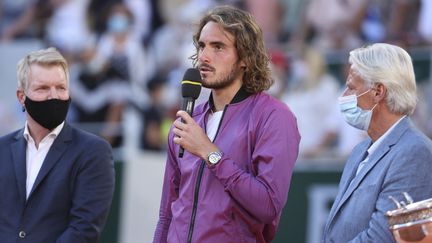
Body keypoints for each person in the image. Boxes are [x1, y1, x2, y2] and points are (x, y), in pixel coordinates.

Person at [153, 5, 301, 243]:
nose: (204, 56)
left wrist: (210, 153)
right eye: (202, 46)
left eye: (218, 47)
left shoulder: (273, 116)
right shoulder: (187, 123)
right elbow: (167, 213)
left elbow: (268, 206)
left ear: (244, 57)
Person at [0, 47, 115, 242]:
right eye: (42, 88)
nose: (54, 96)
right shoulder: (2, 149)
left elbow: (83, 229)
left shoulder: (93, 152)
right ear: (21, 97)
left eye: (61, 88)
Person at [322, 43, 432, 242]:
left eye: (350, 88)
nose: (343, 96)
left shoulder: (414, 153)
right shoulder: (360, 151)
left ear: (378, 92)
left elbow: (383, 237)